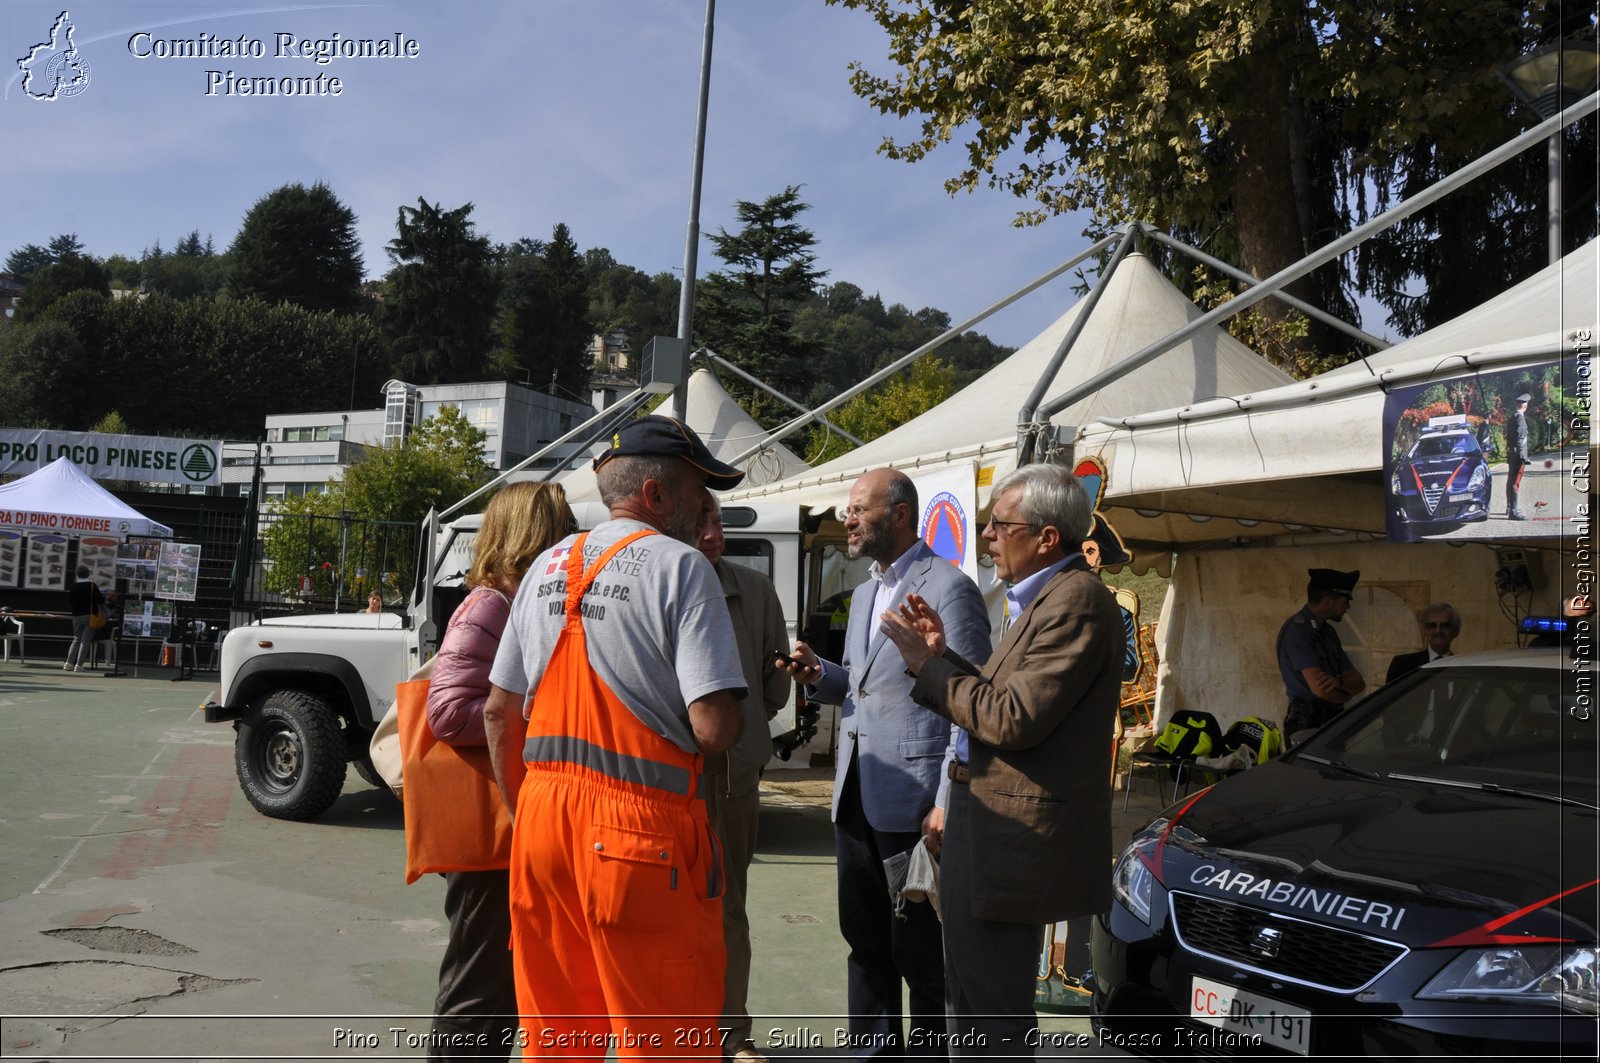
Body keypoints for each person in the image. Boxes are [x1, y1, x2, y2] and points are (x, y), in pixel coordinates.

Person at [482, 414, 747, 1060]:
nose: (705, 507)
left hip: (542, 828)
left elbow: (497, 711)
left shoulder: (546, 564)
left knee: (558, 1040)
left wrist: (526, 807)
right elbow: (713, 728)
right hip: (640, 841)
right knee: (663, 1042)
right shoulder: (683, 570)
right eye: (697, 491)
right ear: (656, 496)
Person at [877, 464, 1123, 1054]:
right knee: (968, 998)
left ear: (1045, 537)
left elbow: (1011, 720)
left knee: (991, 1011)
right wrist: (946, 658)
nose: (987, 535)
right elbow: (1004, 701)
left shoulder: (1076, 602)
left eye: (999, 525)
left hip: (1010, 841)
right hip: (982, 827)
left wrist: (926, 665)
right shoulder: (1041, 599)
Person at [780, 468, 990, 1060]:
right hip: (854, 792)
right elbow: (865, 688)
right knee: (866, 942)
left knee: (920, 955)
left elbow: (969, 701)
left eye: (857, 508)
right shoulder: (867, 591)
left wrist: (950, 801)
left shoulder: (950, 589)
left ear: (899, 515)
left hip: (916, 802)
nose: (847, 519)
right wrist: (822, 675)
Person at [421, 481, 573, 1061]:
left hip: (515, 819)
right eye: (561, 526)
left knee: (502, 982)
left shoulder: (520, 601)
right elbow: (447, 711)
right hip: (490, 830)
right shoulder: (491, 605)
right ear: (532, 534)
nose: (572, 539)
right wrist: (540, 721)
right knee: (478, 981)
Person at [695, 490, 791, 1063]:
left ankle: (731, 1034)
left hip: (732, 776)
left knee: (728, 904)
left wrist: (745, 730)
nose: (712, 531)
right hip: (663, 777)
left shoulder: (754, 591)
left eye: (717, 520)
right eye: (701, 519)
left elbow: (775, 682)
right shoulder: (662, 583)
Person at [1276, 568, 1366, 735]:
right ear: (1328, 601)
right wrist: (1347, 696)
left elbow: (1359, 683)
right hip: (1307, 722)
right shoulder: (1298, 632)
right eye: (1345, 600)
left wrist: (1338, 683)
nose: (1348, 606)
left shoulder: (1328, 632)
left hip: (1332, 721)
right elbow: (1321, 690)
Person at [1385, 603, 1460, 683]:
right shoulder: (1402, 665)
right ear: (1424, 630)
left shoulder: (1462, 668)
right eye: (1432, 625)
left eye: (1445, 625)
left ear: (1455, 631)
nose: (1438, 631)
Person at [65, 565, 103, 672]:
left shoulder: (74, 587)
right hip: (89, 616)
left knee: (76, 639)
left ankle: (69, 662)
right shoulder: (92, 586)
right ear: (88, 574)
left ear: (77, 574)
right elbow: (100, 599)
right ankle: (79, 664)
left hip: (76, 615)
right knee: (85, 641)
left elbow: (71, 601)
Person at [1505, 392, 1531, 520]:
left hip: (1512, 453)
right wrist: (1523, 456)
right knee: (1515, 482)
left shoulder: (1512, 416)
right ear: (1525, 406)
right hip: (1518, 455)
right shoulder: (1520, 418)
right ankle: (1513, 512)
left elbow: (1510, 437)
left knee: (1510, 481)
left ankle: (1510, 507)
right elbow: (1520, 438)